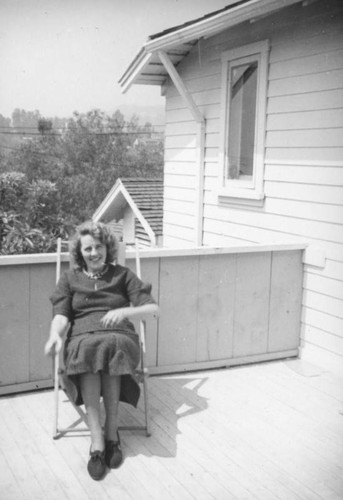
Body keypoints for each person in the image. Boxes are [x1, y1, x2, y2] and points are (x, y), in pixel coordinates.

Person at [44, 220, 159, 481]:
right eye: (87, 249)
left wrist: (125, 311)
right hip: (83, 336)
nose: (94, 253)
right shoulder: (69, 279)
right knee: (90, 348)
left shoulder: (122, 275)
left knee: (109, 345)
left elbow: (153, 309)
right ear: (79, 253)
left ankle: (112, 431)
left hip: (119, 335)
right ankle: (98, 437)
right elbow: (61, 315)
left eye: (98, 247)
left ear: (108, 248)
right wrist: (54, 335)